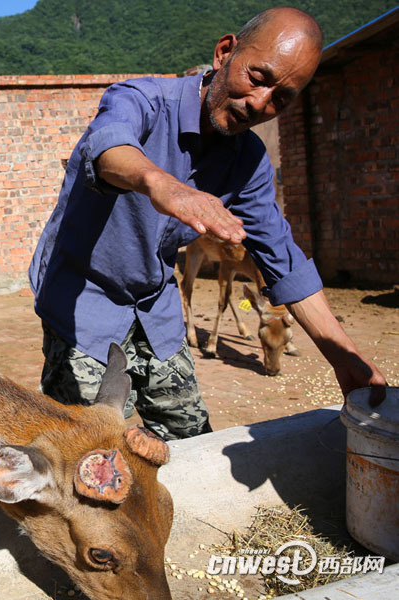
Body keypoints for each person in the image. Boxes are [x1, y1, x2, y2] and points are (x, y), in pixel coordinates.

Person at [28, 7, 386, 440]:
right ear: (224, 53)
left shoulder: (247, 159)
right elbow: (106, 147)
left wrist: (345, 357)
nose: (259, 103)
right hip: (83, 303)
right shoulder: (141, 100)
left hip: (155, 306)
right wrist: (162, 184)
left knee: (193, 440)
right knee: (90, 453)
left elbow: (283, 260)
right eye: (257, 77)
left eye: (282, 97)